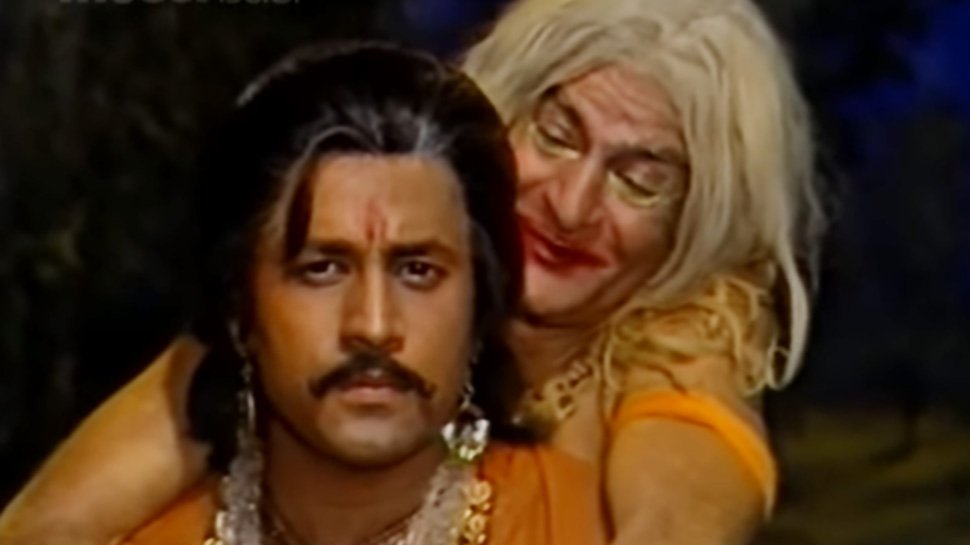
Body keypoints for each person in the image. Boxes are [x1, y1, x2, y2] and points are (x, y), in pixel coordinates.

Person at [0, 0, 825, 543]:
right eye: (557, 134)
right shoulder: (314, 276)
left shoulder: (686, 342)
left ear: (698, 222)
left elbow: (694, 492)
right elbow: (49, 523)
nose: (573, 205)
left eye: (640, 179)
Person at [5, 42, 606, 545]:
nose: (373, 325)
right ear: (238, 308)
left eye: (418, 271)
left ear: (481, 303)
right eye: (322, 269)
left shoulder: (582, 527)